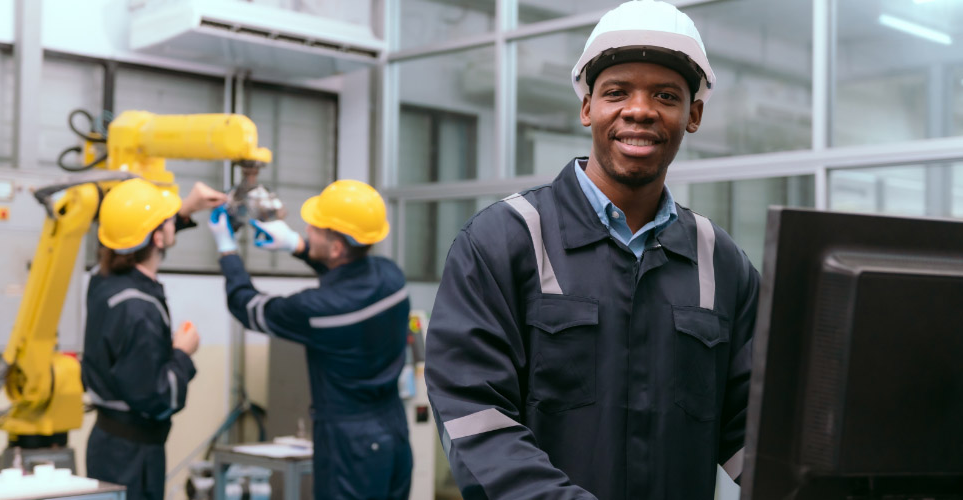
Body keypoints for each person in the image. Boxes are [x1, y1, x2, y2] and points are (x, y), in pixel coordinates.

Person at [424, 1, 761, 499]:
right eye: (617, 92)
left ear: (693, 114)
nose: (640, 110)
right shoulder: (504, 240)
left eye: (666, 95)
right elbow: (476, 420)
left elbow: (748, 427)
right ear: (588, 108)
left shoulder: (720, 261)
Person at [207, 179, 413, 500]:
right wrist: (298, 246)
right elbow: (345, 277)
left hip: (349, 444)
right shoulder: (391, 277)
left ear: (336, 247)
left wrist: (227, 249)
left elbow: (247, 306)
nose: (307, 228)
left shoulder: (317, 309)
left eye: (315, 227)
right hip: (393, 431)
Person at [83, 179, 226, 500]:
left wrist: (185, 208)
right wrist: (183, 353)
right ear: (158, 237)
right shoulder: (140, 310)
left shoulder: (102, 282)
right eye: (166, 220)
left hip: (107, 444)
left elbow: (135, 238)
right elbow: (158, 398)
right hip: (134, 456)